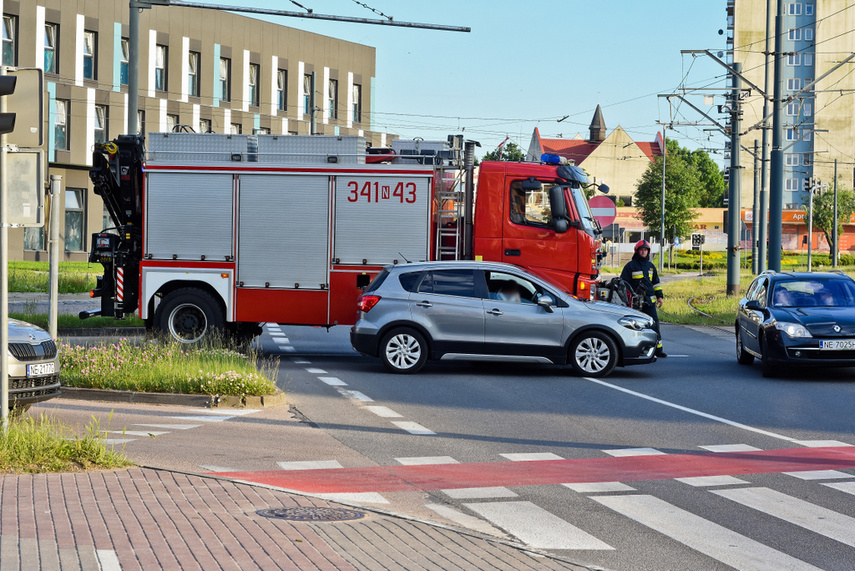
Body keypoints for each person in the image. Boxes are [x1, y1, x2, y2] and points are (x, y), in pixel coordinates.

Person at [620, 240, 666, 357]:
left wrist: (659, 296)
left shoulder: (651, 267)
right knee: (635, 326)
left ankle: (658, 349)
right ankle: (635, 349)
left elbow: (656, 283)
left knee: (654, 324)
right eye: (641, 250)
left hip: (649, 302)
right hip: (635, 303)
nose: (643, 252)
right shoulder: (630, 266)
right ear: (637, 251)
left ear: (648, 252)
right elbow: (623, 284)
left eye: (645, 250)